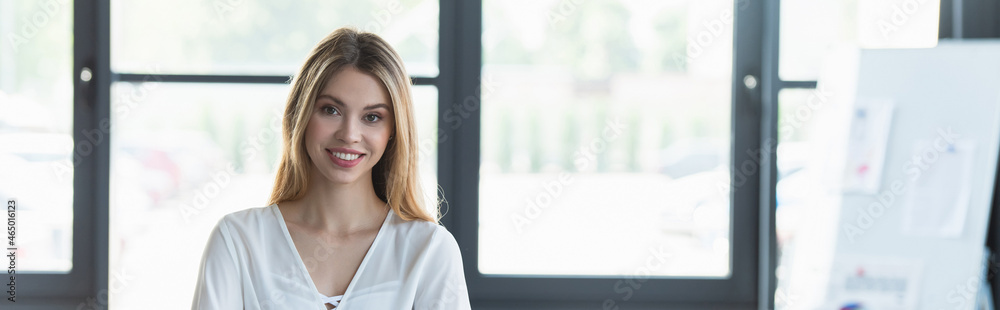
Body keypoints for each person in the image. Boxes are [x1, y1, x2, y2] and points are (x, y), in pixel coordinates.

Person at [191, 27, 471, 309]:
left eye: (372, 117)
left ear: (393, 130)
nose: (349, 134)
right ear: (300, 116)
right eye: (331, 110)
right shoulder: (238, 241)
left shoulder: (429, 250)